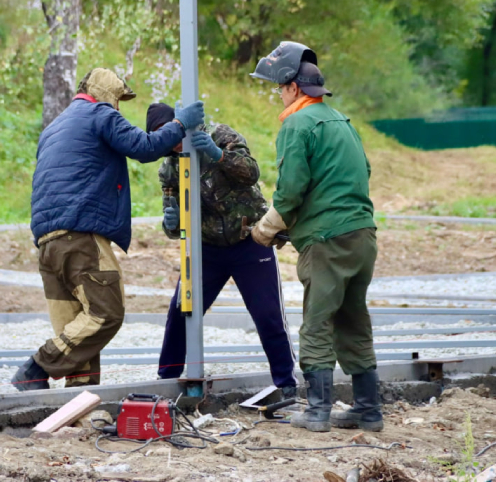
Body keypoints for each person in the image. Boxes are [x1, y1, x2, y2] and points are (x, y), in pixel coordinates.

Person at [11, 68, 205, 391]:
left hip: (46, 244)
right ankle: (36, 367)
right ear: (108, 96)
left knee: (78, 333)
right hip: (80, 237)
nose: (119, 110)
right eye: (119, 101)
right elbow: (144, 147)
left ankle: (77, 408)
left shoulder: (53, 128)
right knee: (106, 312)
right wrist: (180, 124)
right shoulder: (99, 113)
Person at [249, 41, 382, 433]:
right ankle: (368, 410)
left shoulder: (297, 124)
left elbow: (290, 192)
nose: (278, 93)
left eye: (279, 87)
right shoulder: (341, 120)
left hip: (328, 241)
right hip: (362, 236)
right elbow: (361, 172)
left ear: (292, 88)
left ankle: (318, 411)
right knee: (354, 321)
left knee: (317, 323)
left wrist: (266, 229)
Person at [145, 103, 297, 399]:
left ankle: (286, 383)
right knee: (181, 312)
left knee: (267, 313)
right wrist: (171, 222)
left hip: (250, 241)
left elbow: (252, 172)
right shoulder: (170, 168)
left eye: (170, 134)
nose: (171, 144)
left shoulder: (220, 135)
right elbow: (175, 227)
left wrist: (220, 155)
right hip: (207, 251)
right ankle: (166, 379)